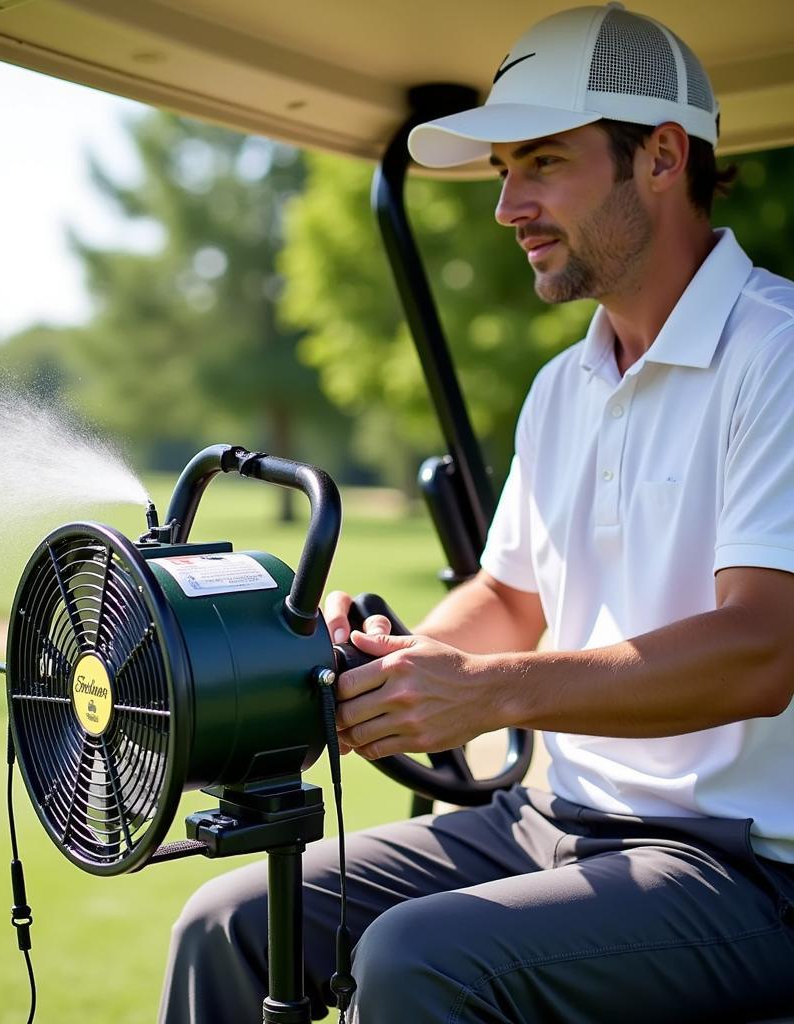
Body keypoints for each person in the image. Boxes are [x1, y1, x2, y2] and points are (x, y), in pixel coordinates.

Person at [159, 4, 794, 1022]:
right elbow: (506, 595)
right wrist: (391, 660)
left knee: (420, 955)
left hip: (745, 866)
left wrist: (492, 693)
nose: (507, 205)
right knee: (227, 920)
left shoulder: (778, 354)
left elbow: (763, 648)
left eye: (541, 162)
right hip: (547, 818)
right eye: (504, 169)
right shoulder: (563, 384)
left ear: (663, 156)